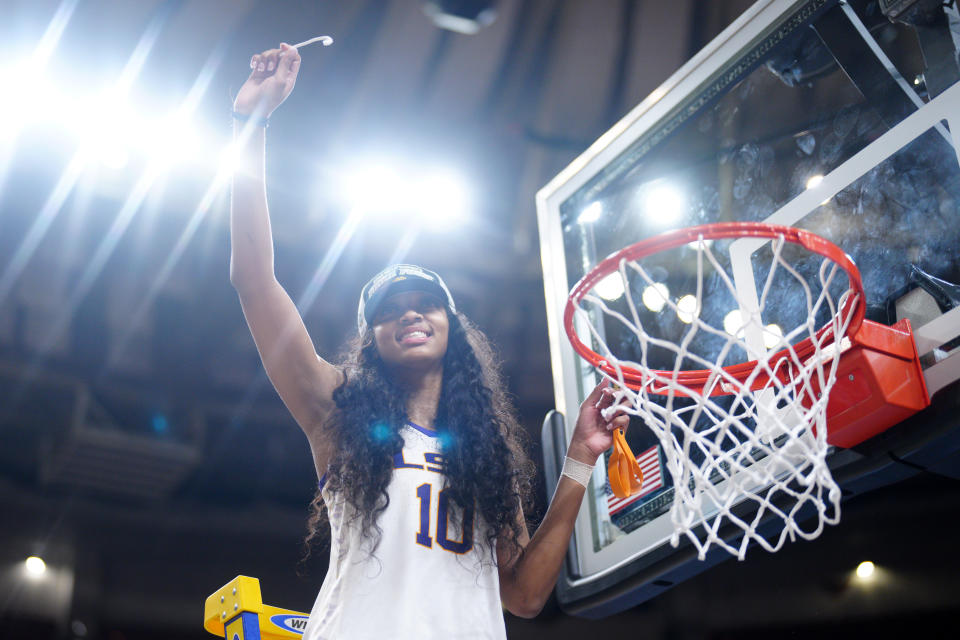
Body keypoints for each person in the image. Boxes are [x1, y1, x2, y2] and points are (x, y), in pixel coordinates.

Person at [230, 42, 629, 639]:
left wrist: (579, 460)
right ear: (371, 341)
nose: (410, 315)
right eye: (390, 311)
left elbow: (523, 597)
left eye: (425, 303)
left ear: (453, 325)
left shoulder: (484, 458)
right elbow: (254, 281)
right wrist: (250, 124)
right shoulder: (337, 415)